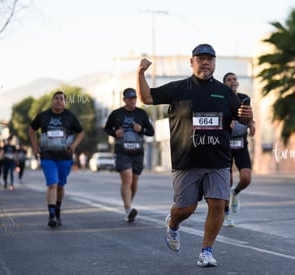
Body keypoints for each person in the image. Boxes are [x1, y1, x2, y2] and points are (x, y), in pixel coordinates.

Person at [136, 43, 253, 267]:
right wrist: (140, 73)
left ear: (215, 63)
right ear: (192, 62)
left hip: (218, 160)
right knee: (185, 208)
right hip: (186, 161)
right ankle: (172, 223)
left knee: (218, 205)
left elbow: (241, 120)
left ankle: (206, 251)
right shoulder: (178, 89)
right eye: (200, 58)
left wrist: (248, 117)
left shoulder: (225, 92)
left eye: (210, 58)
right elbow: (147, 97)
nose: (205, 62)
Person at [29, 91, 84, 227]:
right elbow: (32, 129)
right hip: (47, 155)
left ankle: (58, 211)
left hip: (65, 156)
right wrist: (35, 146)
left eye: (61, 99)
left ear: (65, 102)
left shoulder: (70, 117)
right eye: (56, 98)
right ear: (52, 101)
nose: (58, 100)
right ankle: (51, 215)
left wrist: (74, 145)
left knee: (60, 186)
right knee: (52, 184)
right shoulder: (43, 116)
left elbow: (81, 132)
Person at [104, 88, 155, 223]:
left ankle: (128, 207)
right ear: (124, 99)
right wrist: (115, 133)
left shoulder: (141, 114)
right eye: (129, 98)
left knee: (134, 182)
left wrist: (141, 129)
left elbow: (151, 132)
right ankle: (128, 209)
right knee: (127, 178)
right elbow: (107, 128)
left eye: (134, 98)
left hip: (137, 152)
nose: (132, 100)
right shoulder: (116, 114)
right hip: (122, 151)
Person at [222, 72, 256, 227]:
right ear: (224, 84)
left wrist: (252, 123)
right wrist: (226, 125)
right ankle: (227, 213)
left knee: (246, 178)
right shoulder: (221, 98)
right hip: (225, 145)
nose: (232, 82)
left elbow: (248, 116)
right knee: (226, 181)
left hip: (241, 143)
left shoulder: (244, 98)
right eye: (229, 80)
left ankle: (235, 193)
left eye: (234, 79)